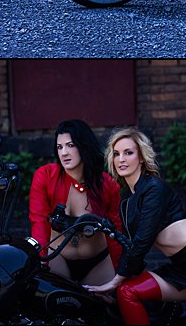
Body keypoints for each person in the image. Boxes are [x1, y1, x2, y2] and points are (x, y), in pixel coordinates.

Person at [84, 127, 186, 326]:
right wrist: (116, 286)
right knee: (127, 291)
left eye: (128, 153)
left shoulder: (155, 188)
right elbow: (129, 245)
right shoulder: (127, 201)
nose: (121, 159)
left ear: (140, 157)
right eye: (116, 154)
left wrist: (115, 280)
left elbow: (142, 240)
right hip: (182, 268)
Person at [28, 119, 123, 285]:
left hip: (98, 262)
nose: (64, 152)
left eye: (70, 145)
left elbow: (116, 229)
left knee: (103, 307)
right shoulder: (45, 176)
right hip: (58, 258)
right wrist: (42, 258)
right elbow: (39, 219)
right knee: (57, 305)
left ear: (84, 146)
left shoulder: (108, 185)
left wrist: (121, 270)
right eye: (59, 147)